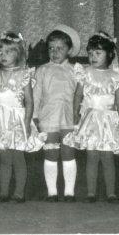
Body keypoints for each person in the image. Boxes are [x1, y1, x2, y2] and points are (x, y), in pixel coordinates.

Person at [63, 32, 119, 202]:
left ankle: (111, 193)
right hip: (90, 120)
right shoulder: (85, 72)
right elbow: (78, 96)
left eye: (98, 53)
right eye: (90, 53)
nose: (93, 57)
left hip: (109, 121)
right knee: (92, 156)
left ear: (109, 54)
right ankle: (91, 193)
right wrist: (75, 113)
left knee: (107, 157)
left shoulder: (115, 75)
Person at [0, 31, 44, 202]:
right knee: (5, 158)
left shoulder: (24, 74)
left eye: (8, 51)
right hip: (0, 120)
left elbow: (29, 101)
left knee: (18, 157)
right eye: (0, 52)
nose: (3, 55)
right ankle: (4, 192)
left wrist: (28, 122)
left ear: (18, 53)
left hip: (17, 120)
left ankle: (19, 193)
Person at [33, 25, 82, 201]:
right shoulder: (42, 70)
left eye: (60, 48)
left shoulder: (75, 70)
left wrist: (79, 113)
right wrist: (35, 117)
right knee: (51, 154)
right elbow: (36, 94)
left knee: (69, 154)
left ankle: (69, 192)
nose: (54, 52)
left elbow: (80, 94)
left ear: (69, 50)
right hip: (48, 118)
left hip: (69, 117)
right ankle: (52, 192)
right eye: (51, 48)